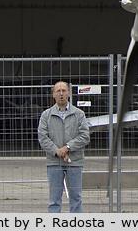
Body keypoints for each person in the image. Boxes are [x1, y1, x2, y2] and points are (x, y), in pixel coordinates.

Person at [38, 81, 90, 213]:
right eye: (58, 91)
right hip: (54, 162)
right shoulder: (46, 115)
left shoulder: (79, 114)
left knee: (76, 199)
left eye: (64, 90)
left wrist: (67, 148)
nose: (61, 94)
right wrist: (57, 151)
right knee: (54, 201)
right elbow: (43, 138)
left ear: (69, 93)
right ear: (53, 94)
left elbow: (84, 136)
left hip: (75, 162)